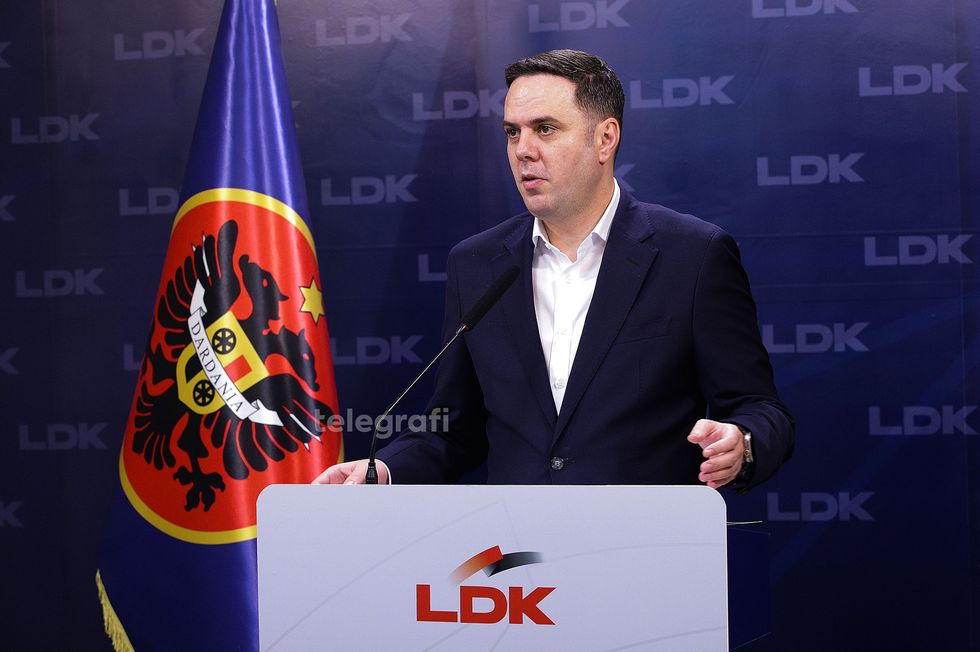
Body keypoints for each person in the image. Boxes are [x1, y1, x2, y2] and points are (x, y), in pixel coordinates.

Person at [314, 49, 794, 490]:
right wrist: (384, 470)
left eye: (544, 129)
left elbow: (759, 407)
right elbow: (455, 430)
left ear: (605, 138)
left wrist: (742, 443)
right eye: (512, 132)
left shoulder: (692, 254)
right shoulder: (476, 263)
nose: (523, 150)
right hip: (517, 550)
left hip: (645, 543)